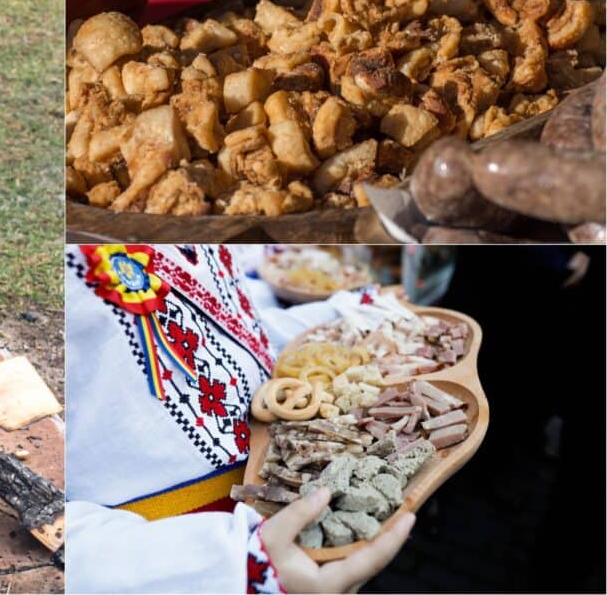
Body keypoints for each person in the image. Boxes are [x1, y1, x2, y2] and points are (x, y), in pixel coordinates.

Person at [65, 244, 413, 593]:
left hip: (307, 506)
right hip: (181, 564)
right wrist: (234, 565)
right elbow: (36, 505)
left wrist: (342, 312)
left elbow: (229, 337)